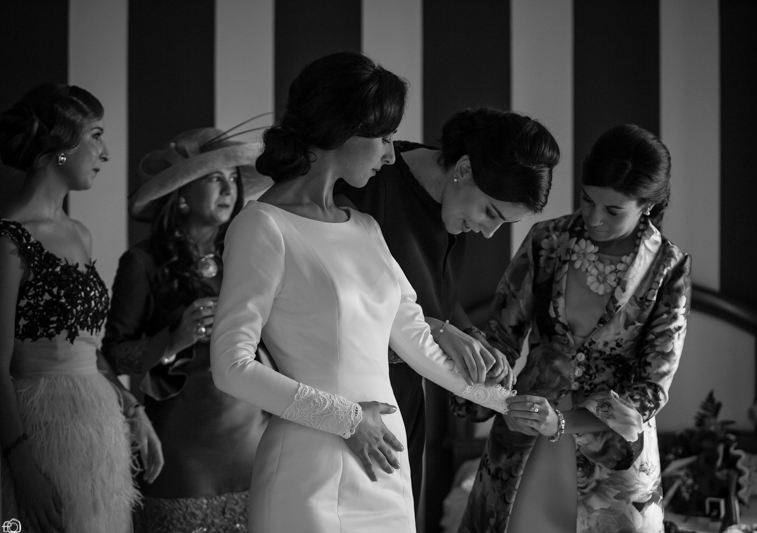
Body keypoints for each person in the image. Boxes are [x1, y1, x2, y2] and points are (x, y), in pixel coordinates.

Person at [210, 51, 513, 533]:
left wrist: (511, 404)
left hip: (386, 471)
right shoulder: (262, 227)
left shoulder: (366, 228)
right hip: (310, 474)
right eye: (385, 138)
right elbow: (231, 366)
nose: (391, 155)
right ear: (343, 132)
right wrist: (348, 419)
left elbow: (417, 341)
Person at [456, 124, 692, 533]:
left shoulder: (668, 268)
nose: (595, 218)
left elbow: (652, 386)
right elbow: (501, 337)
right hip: (527, 432)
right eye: (587, 200)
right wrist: (489, 395)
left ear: (648, 206)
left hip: (614, 455)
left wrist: (563, 422)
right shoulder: (547, 239)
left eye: (613, 210)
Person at [336, 106, 560, 505]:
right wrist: (438, 330)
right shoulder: (370, 183)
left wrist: (472, 336)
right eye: (490, 213)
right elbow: (337, 305)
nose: (488, 233)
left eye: (503, 224)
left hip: (405, 398)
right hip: (351, 403)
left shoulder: (453, 204)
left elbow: (436, 297)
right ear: (465, 168)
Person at [0, 83, 161, 532]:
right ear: (60, 145)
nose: (105, 152)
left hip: (95, 424)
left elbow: (87, 348)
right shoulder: (9, 239)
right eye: (96, 135)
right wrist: (23, 468)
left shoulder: (79, 233)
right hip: (37, 427)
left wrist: (132, 408)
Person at [102, 127, 273, 532]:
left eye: (232, 178)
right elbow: (113, 356)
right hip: (181, 443)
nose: (228, 188)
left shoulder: (249, 254)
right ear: (181, 194)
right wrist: (174, 339)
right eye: (214, 178)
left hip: (254, 436)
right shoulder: (142, 262)